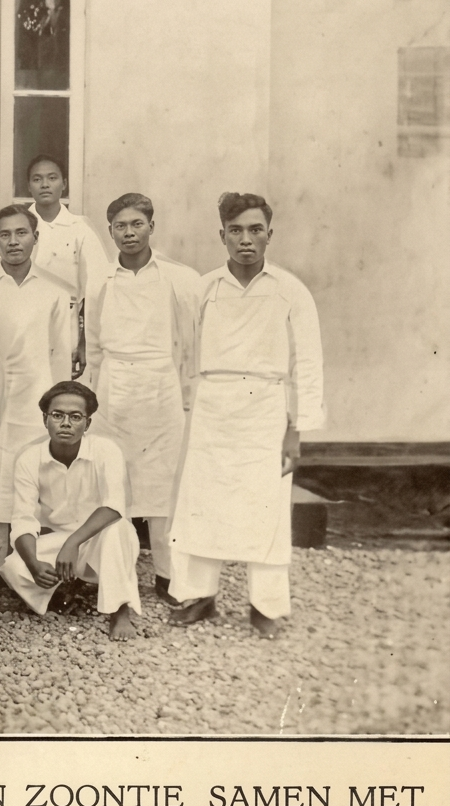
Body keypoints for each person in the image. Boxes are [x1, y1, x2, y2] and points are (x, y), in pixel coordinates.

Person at [168, 192, 325, 637]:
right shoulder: (204, 289)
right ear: (222, 235)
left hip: (267, 409)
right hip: (213, 405)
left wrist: (296, 429)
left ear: (269, 235)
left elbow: (308, 363)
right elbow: (184, 351)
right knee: (201, 502)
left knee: (266, 507)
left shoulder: (291, 291)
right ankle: (198, 597)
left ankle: (266, 606)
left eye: (255, 230)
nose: (246, 240)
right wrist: (188, 406)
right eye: (235, 231)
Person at [84, 193, 201, 602]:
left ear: (152, 226)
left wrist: (187, 397)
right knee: (111, 481)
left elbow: (190, 345)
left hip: (160, 388)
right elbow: (94, 344)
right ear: (110, 230)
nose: (129, 233)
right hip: (113, 389)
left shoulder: (178, 277)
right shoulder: (100, 279)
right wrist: (96, 395)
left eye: (137, 224)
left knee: (164, 485)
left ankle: (169, 576)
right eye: (120, 226)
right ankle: (109, 573)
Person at [0, 205, 74, 570]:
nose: (13, 242)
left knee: (41, 481)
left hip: (39, 401)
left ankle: (40, 572)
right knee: (0, 484)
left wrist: (56, 409)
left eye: (21, 233)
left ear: (35, 237)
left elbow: (62, 357)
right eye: (5, 235)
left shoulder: (55, 293)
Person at [0, 382, 142, 641]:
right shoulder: (29, 458)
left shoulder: (106, 450)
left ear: (87, 424)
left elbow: (114, 506)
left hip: (102, 539)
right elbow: (22, 520)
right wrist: (33, 563)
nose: (66, 423)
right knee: (14, 566)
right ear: (45, 419)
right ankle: (64, 588)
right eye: (57, 415)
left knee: (117, 529)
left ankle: (119, 610)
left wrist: (73, 541)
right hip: (61, 542)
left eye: (75, 417)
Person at [24, 154, 110, 376]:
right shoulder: (17, 224)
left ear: (64, 184)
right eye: (37, 179)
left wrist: (84, 343)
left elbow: (97, 289)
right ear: (28, 186)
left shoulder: (79, 228)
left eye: (52, 178)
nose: (45, 185)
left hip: (67, 324)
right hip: (22, 321)